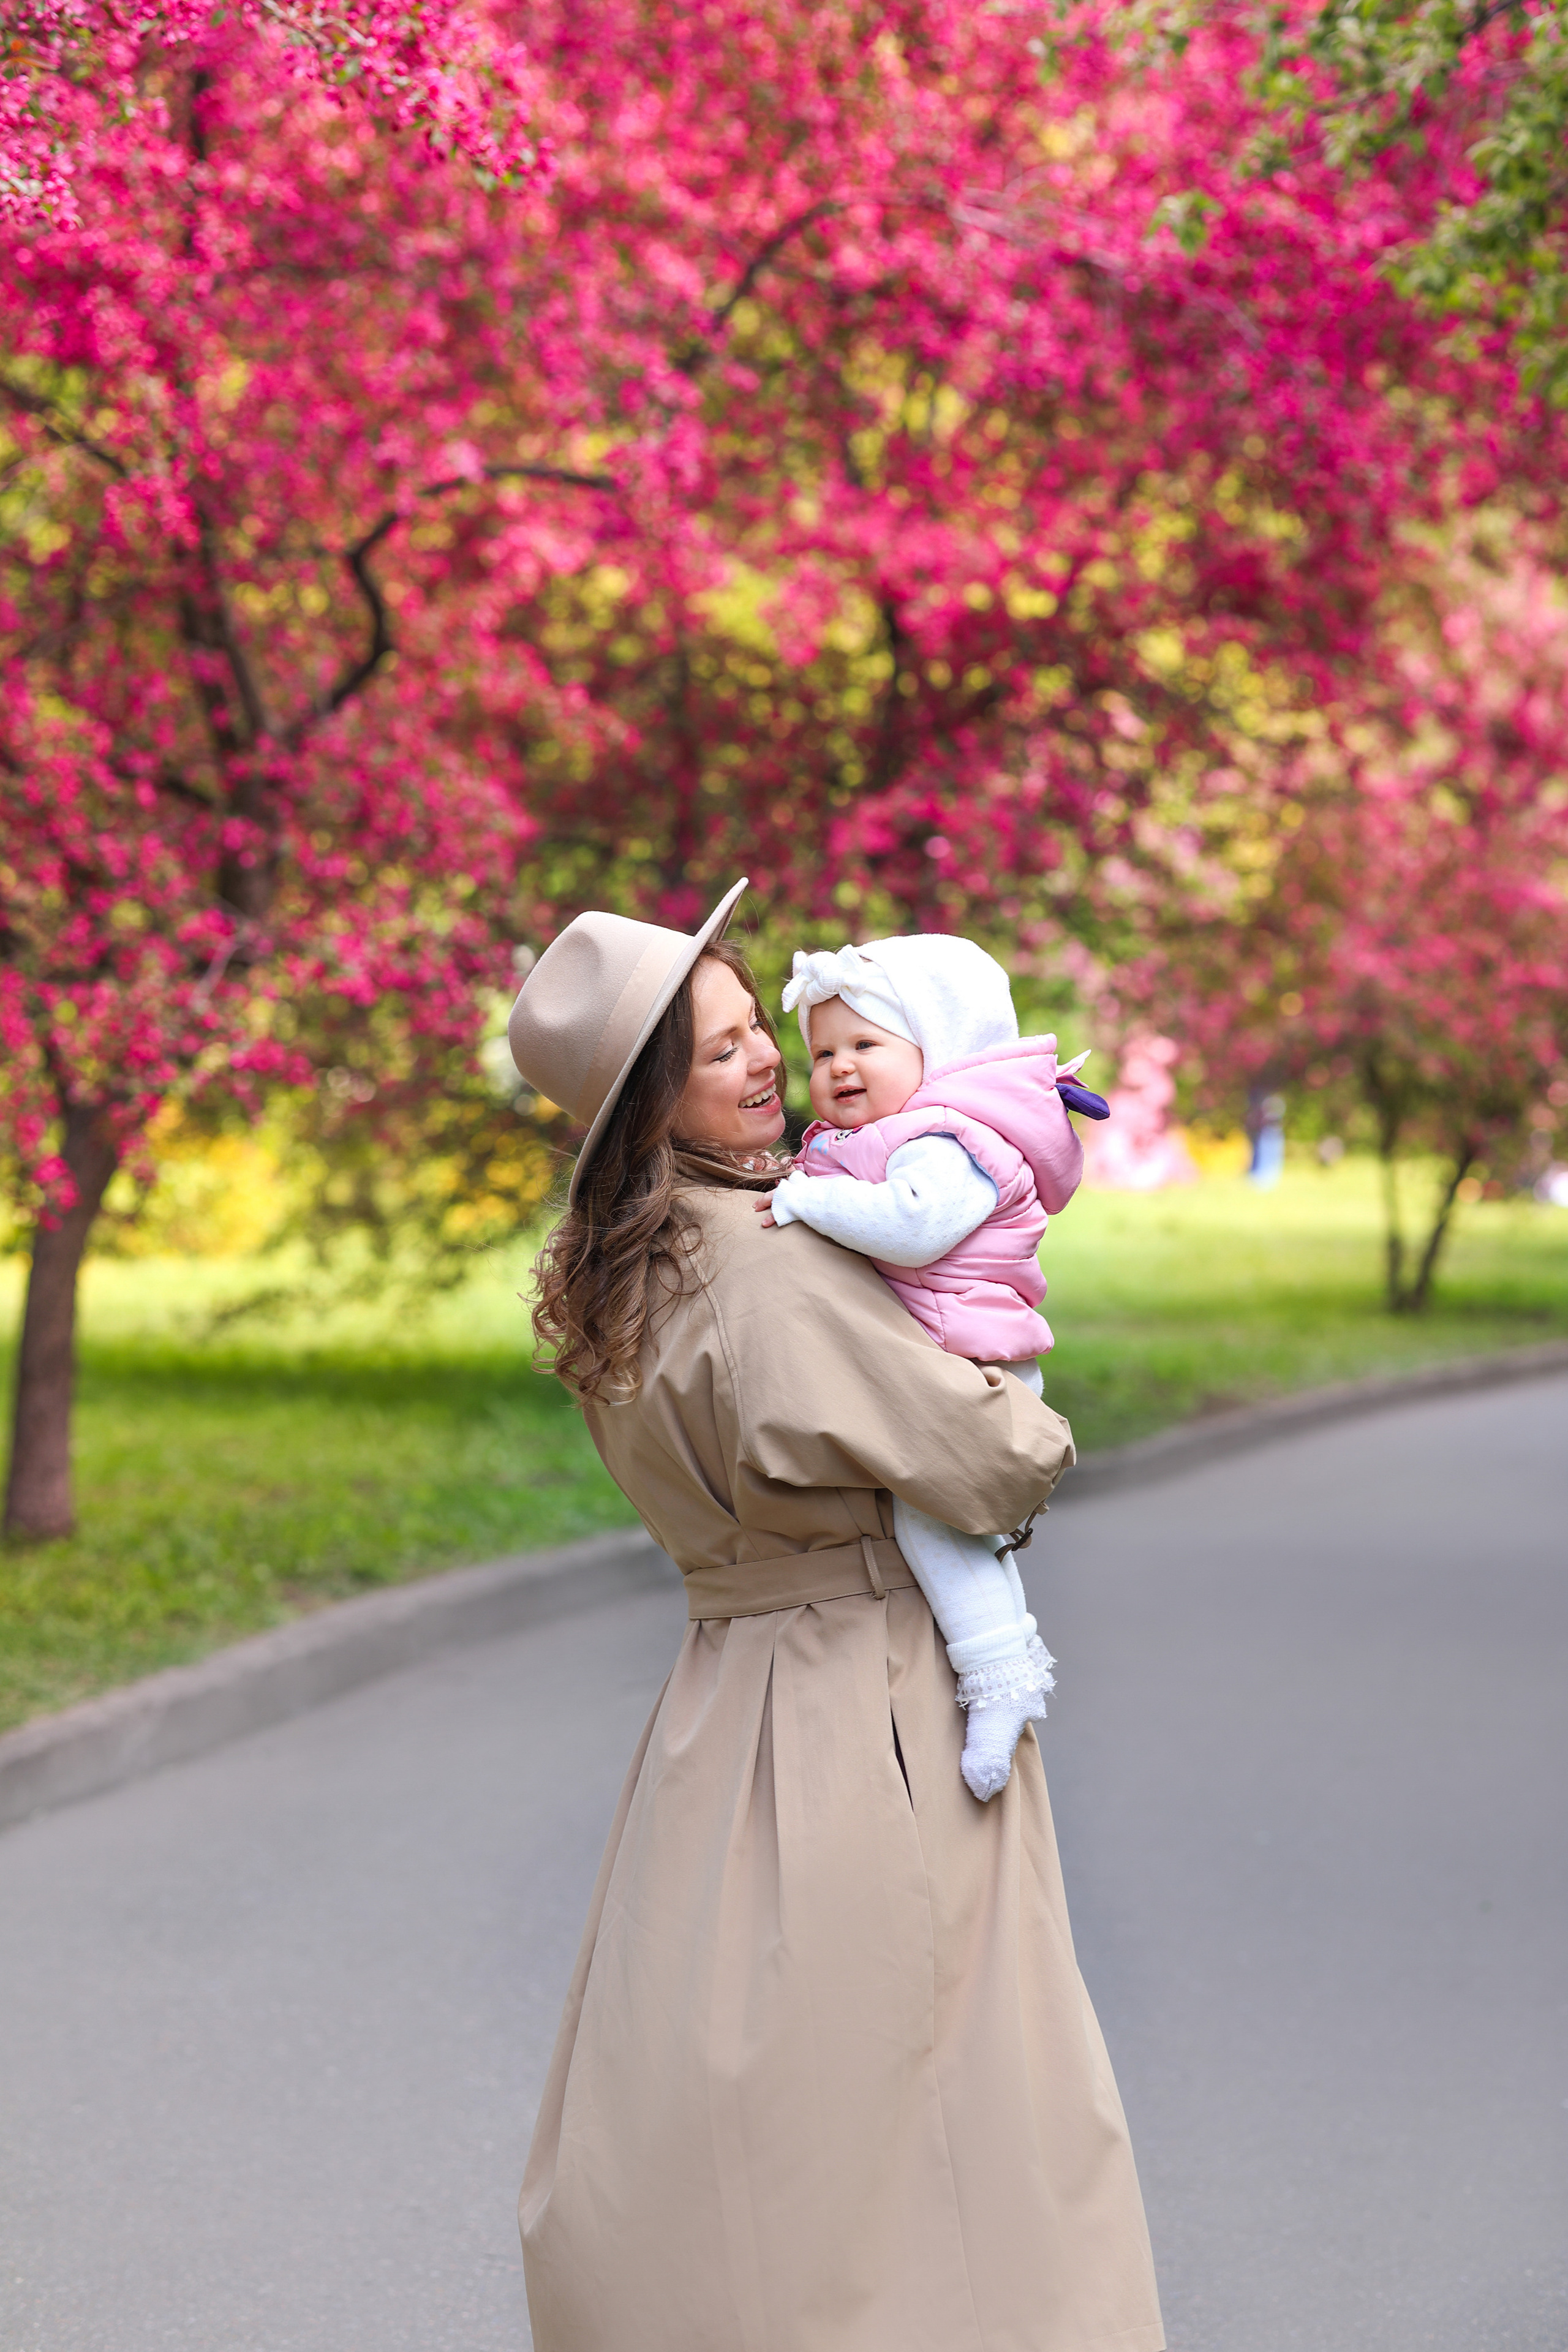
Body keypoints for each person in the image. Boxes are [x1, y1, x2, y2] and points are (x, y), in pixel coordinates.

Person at [508, 879, 1164, 2352]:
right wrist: (1008, 1394)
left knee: (740, 2106)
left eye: (759, 1032)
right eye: (717, 1050)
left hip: (716, 1698)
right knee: (941, 2112)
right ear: (645, 1106)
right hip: (860, 1693)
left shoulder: (629, 1272)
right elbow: (994, 1459)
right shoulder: (777, 1265)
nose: (761, 1065)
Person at [758, 935, 1099, 1801]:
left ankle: (1001, 1673)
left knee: (935, 1525)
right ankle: (999, 1653)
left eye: (866, 1046)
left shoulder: (951, 1143)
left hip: (974, 1370)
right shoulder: (881, 1136)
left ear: (936, 1048)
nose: (838, 1068)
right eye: (823, 1051)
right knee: (944, 1528)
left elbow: (913, 1226)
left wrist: (806, 1200)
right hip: (942, 1362)